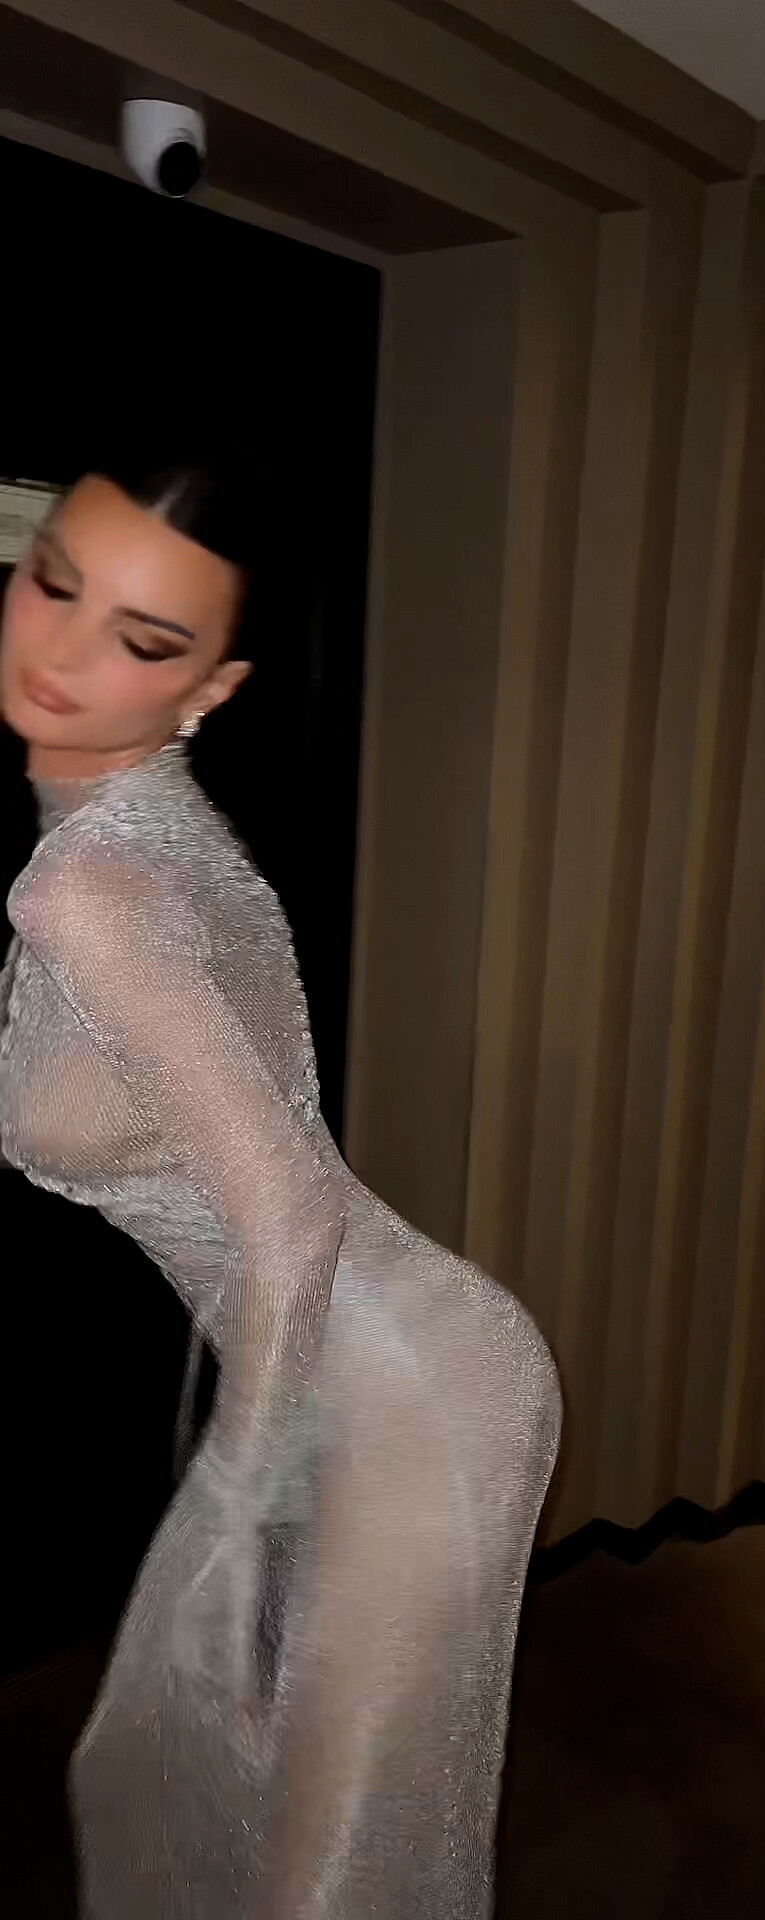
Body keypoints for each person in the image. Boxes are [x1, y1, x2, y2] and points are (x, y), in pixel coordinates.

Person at [0, 463, 561, 1918]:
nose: (61, 653)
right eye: (53, 582)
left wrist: (241, 1543)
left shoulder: (86, 890)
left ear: (211, 689)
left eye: (142, 640)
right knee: (283, 1832)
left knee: (322, 1858)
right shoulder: (146, 827)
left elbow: (294, 1219)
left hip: (400, 1387)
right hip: (369, 1350)